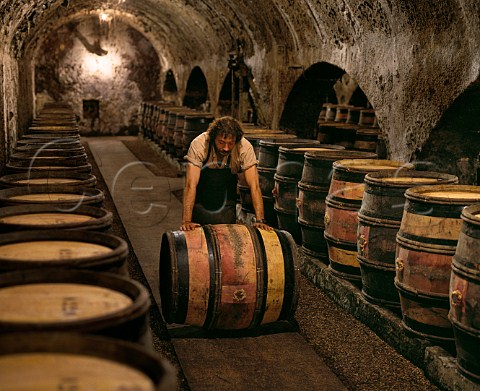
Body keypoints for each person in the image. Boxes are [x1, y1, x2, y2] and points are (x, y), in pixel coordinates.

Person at [180, 116, 272, 231]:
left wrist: (260, 220)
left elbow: (254, 186)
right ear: (213, 138)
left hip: (227, 202)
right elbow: (190, 185)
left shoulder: (244, 147)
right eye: (221, 142)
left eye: (231, 143)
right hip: (201, 201)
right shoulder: (200, 144)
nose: (226, 148)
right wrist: (187, 221)